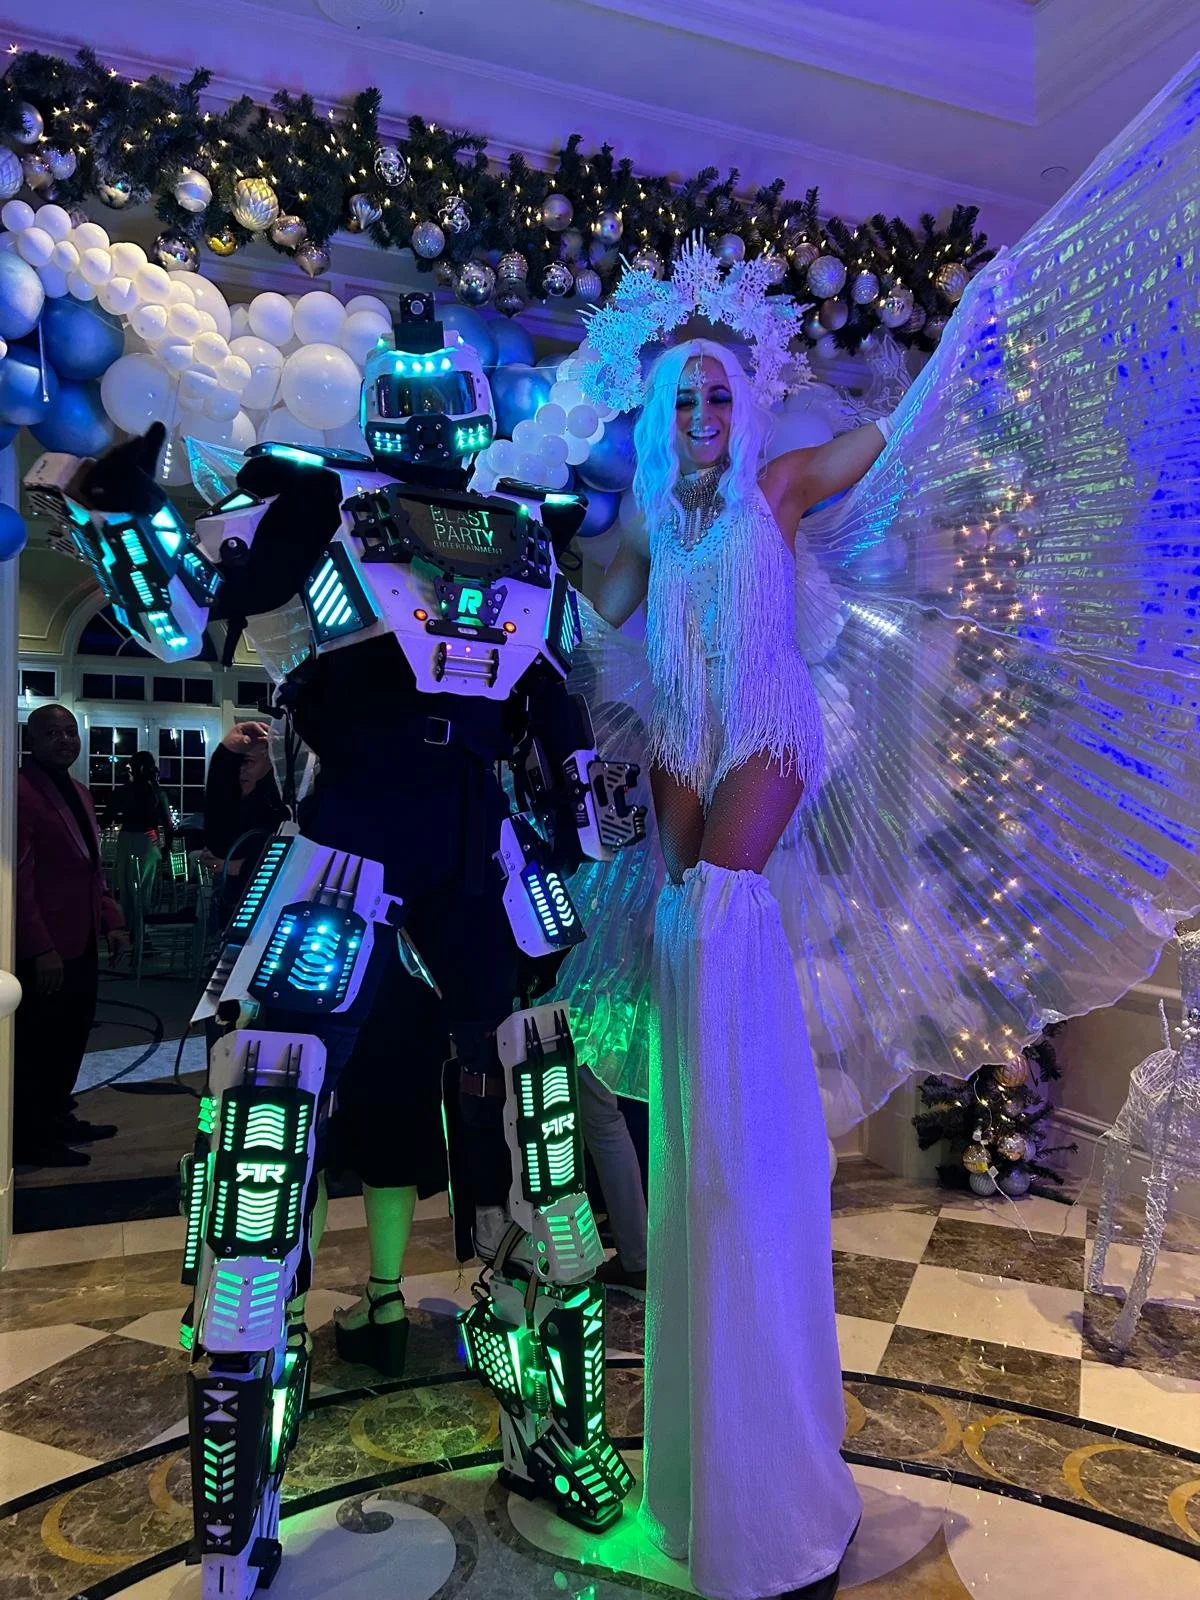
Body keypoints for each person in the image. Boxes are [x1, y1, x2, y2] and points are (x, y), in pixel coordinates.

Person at [587, 341, 890, 1600]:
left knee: (717, 911)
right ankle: (702, 1140)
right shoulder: (650, 521)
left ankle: (744, 1139)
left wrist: (953, 353)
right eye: (686, 397)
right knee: (677, 919)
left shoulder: (779, 484)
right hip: (682, 728)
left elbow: (880, 440)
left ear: (742, 406)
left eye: (720, 393)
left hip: (765, 716)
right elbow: (593, 607)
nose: (706, 411)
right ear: (662, 416)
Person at [15, 704, 130, 1166]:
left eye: (70, 732)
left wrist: (112, 921)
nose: (64, 740)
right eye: (52, 733)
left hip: (82, 938)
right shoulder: (19, 792)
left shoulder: (80, 791)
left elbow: (92, 868)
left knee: (71, 1035)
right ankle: (31, 1137)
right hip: (46, 945)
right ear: (31, 740)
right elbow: (18, 880)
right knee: (38, 1043)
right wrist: (39, 946)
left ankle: (57, 1116)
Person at [200, 719, 288, 922]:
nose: (240, 770)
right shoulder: (245, 804)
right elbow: (219, 844)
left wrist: (235, 867)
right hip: (238, 910)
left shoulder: (279, 808)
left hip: (265, 916)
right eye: (237, 764)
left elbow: (287, 865)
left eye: (248, 762)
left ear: (272, 762)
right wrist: (226, 753)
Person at [108, 750, 174, 905]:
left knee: (125, 887)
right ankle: (143, 917)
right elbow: (168, 824)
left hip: (126, 836)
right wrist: (166, 848)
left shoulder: (122, 791)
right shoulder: (157, 792)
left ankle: (128, 917)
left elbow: (106, 818)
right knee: (144, 888)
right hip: (150, 835)